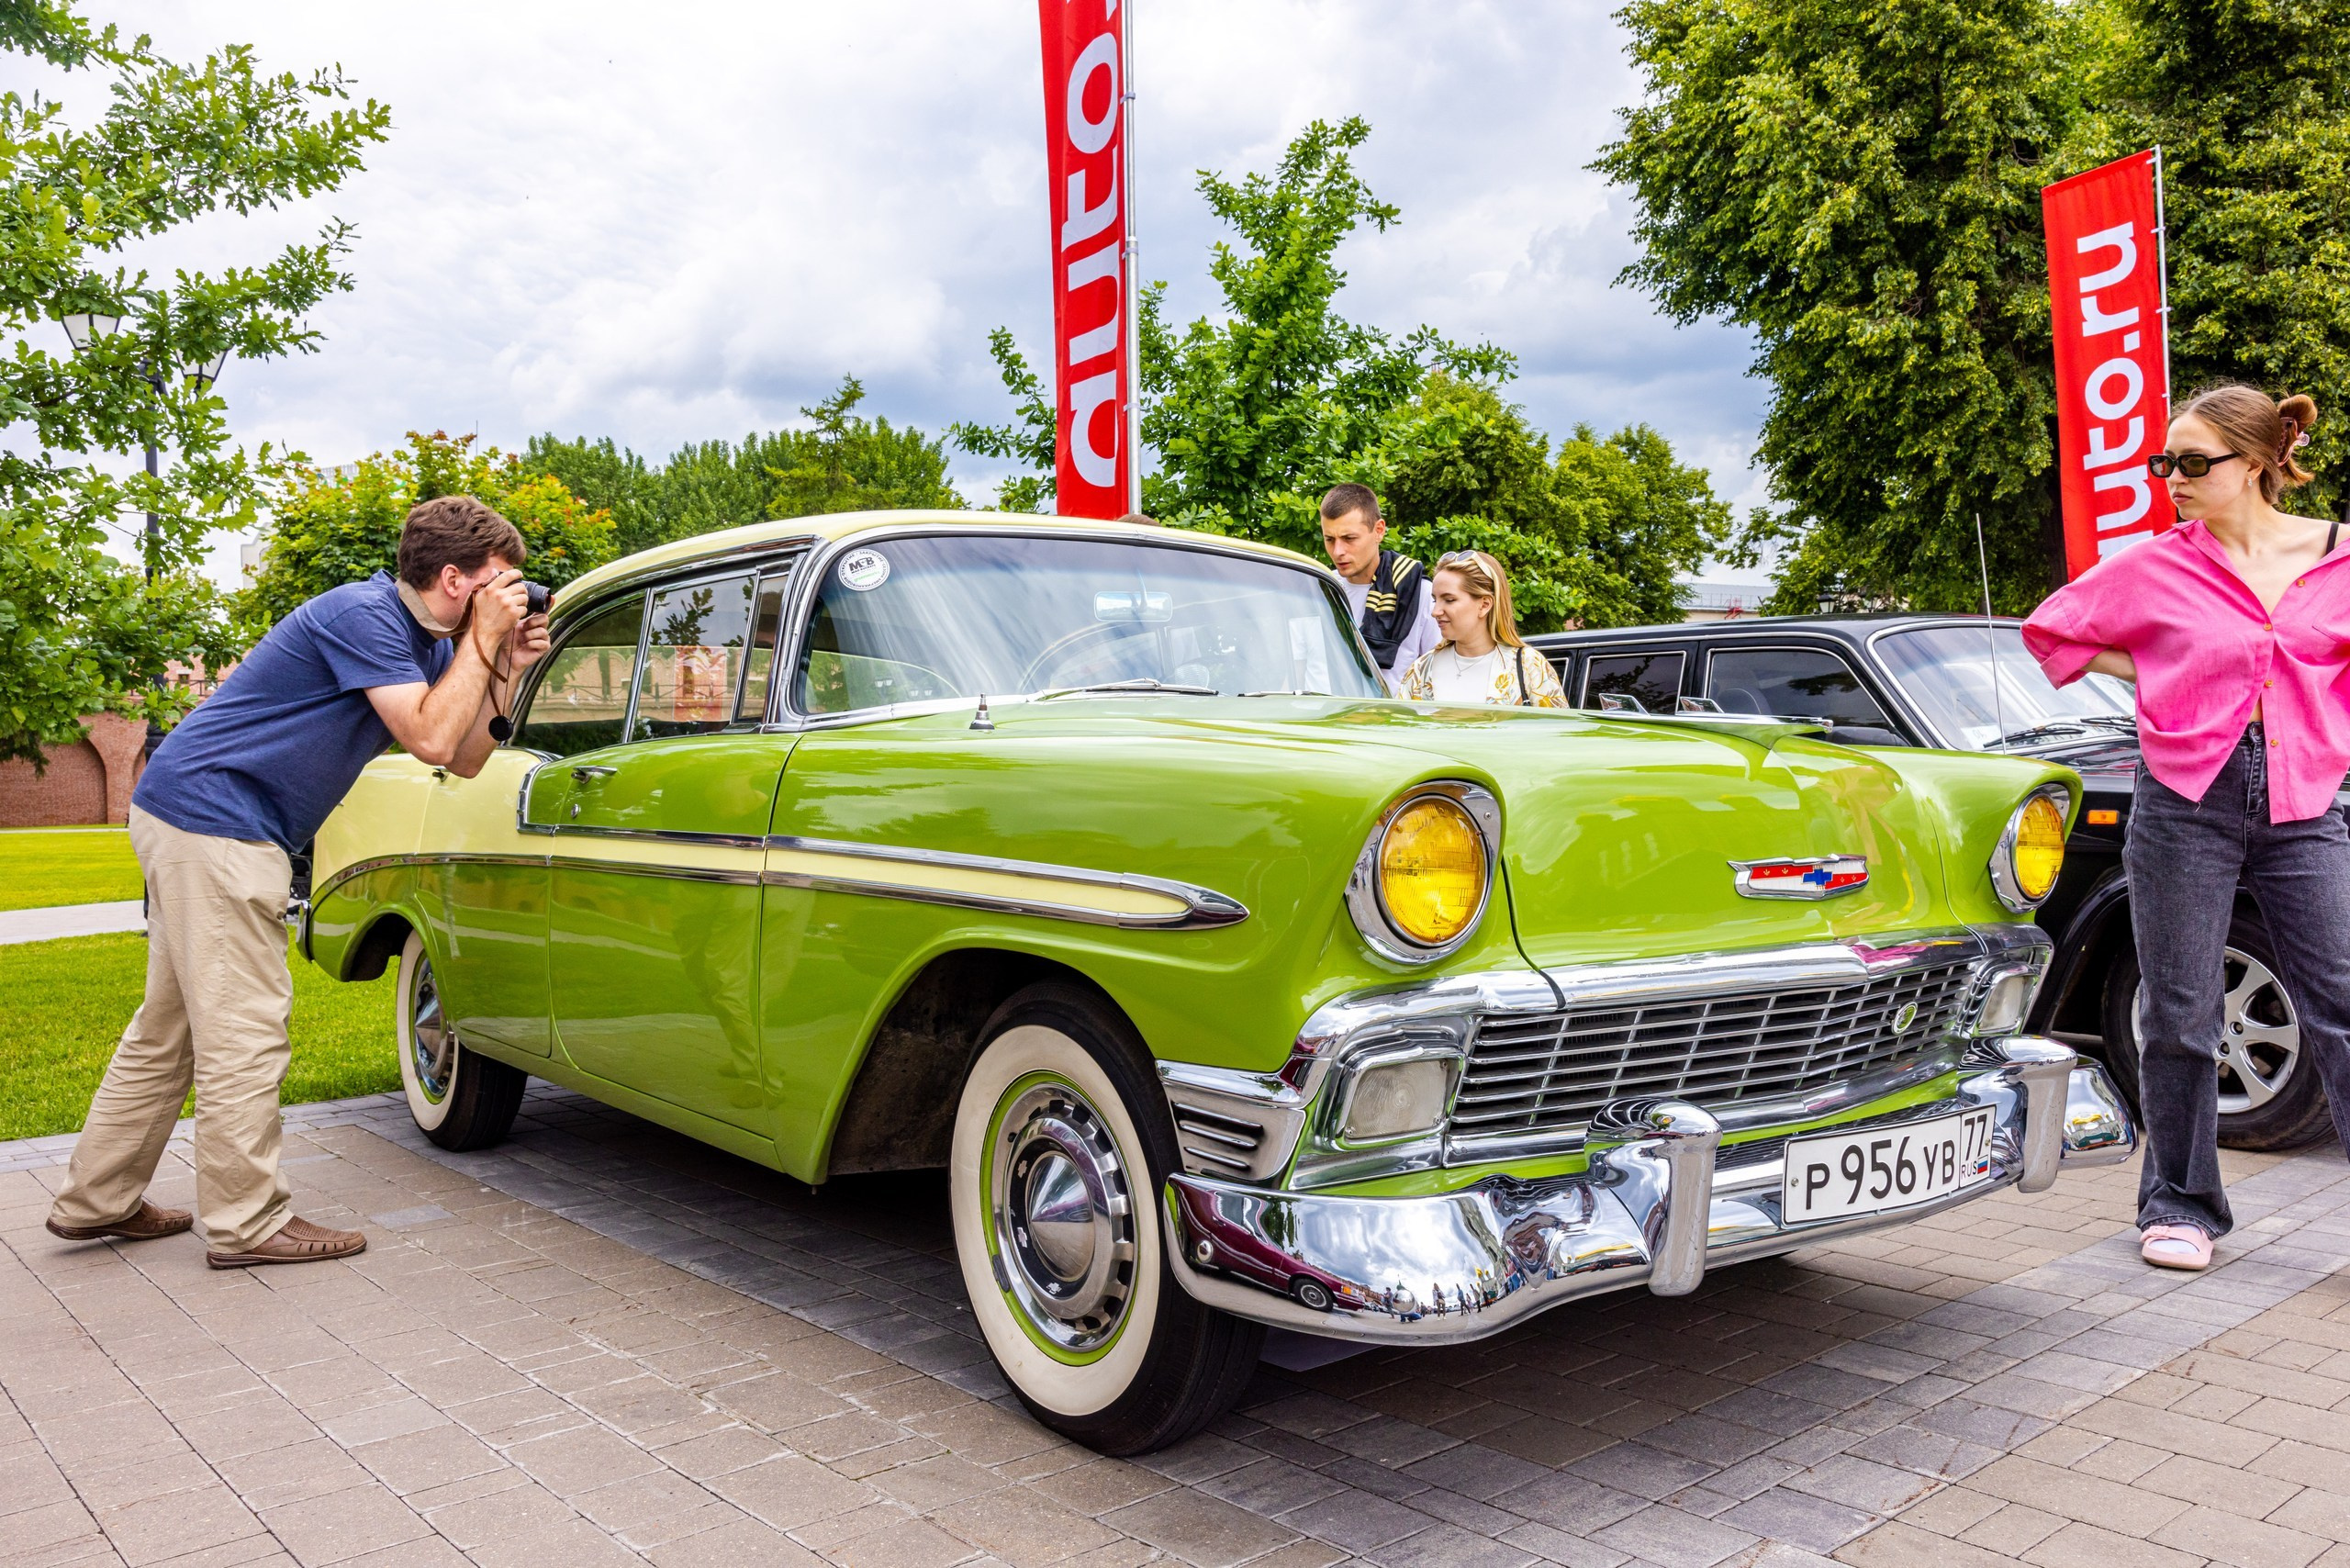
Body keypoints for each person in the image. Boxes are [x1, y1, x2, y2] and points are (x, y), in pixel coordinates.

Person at [45, 496, 552, 1269]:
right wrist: (484, 646)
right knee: (245, 1030)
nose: (515, 598)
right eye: (502, 583)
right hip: (215, 819)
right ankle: (247, 1225)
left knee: (168, 1029)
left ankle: (96, 1200)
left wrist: (506, 666)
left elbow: (464, 754)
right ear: (455, 579)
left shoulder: (437, 647)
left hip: (207, 818)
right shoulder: (365, 614)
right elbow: (424, 733)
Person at [2022, 385, 2350, 1272]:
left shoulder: (2339, 557)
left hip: (2304, 800)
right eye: (2165, 462)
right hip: (2182, 801)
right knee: (2178, 1011)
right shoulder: (2157, 565)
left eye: (2195, 462)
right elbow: (2051, 632)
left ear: (2260, 464)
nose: (2174, 478)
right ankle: (2180, 1205)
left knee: (2340, 1004)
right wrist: (2163, 662)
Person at [1396, 549, 1568, 708]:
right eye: (1435, 600)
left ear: (1484, 604)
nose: (1435, 612)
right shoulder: (1420, 669)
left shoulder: (1528, 666)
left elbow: (1559, 735)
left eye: (1449, 600)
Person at [1319, 484, 1438, 686]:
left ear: (1379, 531)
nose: (1338, 551)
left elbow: (1438, 670)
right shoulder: (1320, 589)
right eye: (1329, 539)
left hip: (1392, 716)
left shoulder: (1418, 592)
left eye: (1349, 538)